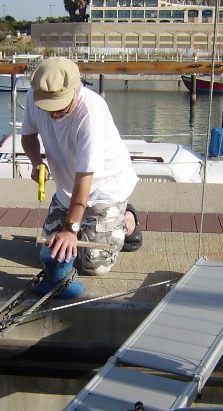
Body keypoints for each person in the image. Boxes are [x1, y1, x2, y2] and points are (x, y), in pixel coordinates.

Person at [21, 57, 142, 276]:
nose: (52, 114)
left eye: (59, 107)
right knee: (51, 253)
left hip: (105, 187)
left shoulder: (91, 111)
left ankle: (126, 220)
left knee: (94, 265)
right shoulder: (35, 94)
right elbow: (28, 135)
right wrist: (36, 162)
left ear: (75, 90)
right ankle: (91, 222)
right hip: (67, 188)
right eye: (47, 107)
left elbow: (85, 175)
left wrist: (71, 228)